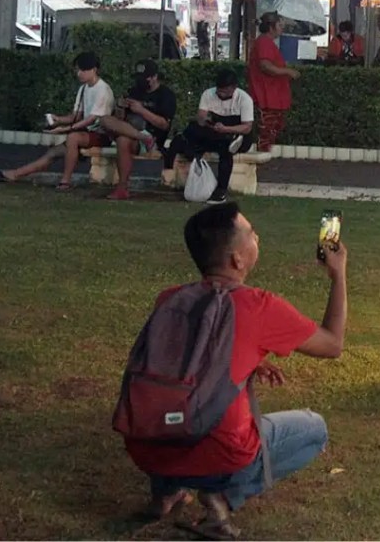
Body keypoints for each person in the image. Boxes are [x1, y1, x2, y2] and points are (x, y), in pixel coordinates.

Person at [121, 202, 348, 538]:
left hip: (146, 446)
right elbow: (332, 344)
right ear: (237, 259)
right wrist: (338, 274)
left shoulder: (169, 298)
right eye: (251, 234)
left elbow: (185, 362)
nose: (257, 237)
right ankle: (222, 496)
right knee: (314, 428)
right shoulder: (259, 306)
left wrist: (251, 361)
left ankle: (166, 490)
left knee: (175, 409)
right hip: (218, 453)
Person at [0, 51, 114, 191]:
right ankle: (14, 174)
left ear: (94, 69)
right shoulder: (83, 89)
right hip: (86, 133)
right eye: (78, 70)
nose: (79, 73)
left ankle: (65, 181)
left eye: (83, 70)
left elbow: (92, 119)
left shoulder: (103, 89)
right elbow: (75, 116)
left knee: (73, 138)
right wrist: (58, 119)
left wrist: (67, 129)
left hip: (101, 133)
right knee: (53, 153)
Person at [163, 69, 254, 205]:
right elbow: (201, 117)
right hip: (214, 130)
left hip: (235, 130)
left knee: (226, 151)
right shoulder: (208, 94)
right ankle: (190, 154)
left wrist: (227, 129)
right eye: (219, 90)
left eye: (224, 91)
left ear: (233, 88)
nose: (220, 94)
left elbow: (247, 127)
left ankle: (221, 190)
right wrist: (206, 121)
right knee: (191, 132)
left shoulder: (244, 99)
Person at [100, 59, 177, 201]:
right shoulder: (134, 91)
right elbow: (121, 120)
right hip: (134, 132)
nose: (141, 81)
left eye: (145, 78)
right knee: (105, 120)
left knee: (123, 140)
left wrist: (141, 110)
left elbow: (164, 125)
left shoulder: (166, 95)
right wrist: (120, 107)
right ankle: (142, 138)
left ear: (154, 77)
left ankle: (122, 188)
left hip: (151, 136)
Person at [247, 12, 300, 153]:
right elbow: (265, 66)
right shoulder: (264, 42)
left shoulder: (266, 42)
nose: (282, 28)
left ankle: (263, 156)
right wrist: (287, 71)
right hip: (266, 94)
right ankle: (261, 158)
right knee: (266, 130)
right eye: (279, 25)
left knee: (272, 129)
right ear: (271, 27)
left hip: (272, 95)